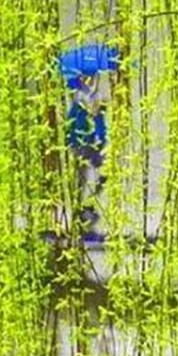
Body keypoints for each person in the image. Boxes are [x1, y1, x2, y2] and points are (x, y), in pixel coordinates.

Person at [65, 72, 109, 236]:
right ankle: (83, 208)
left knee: (102, 174)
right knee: (83, 175)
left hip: (93, 141)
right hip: (82, 141)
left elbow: (98, 118)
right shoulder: (79, 97)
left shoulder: (92, 94)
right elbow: (74, 121)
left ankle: (88, 204)